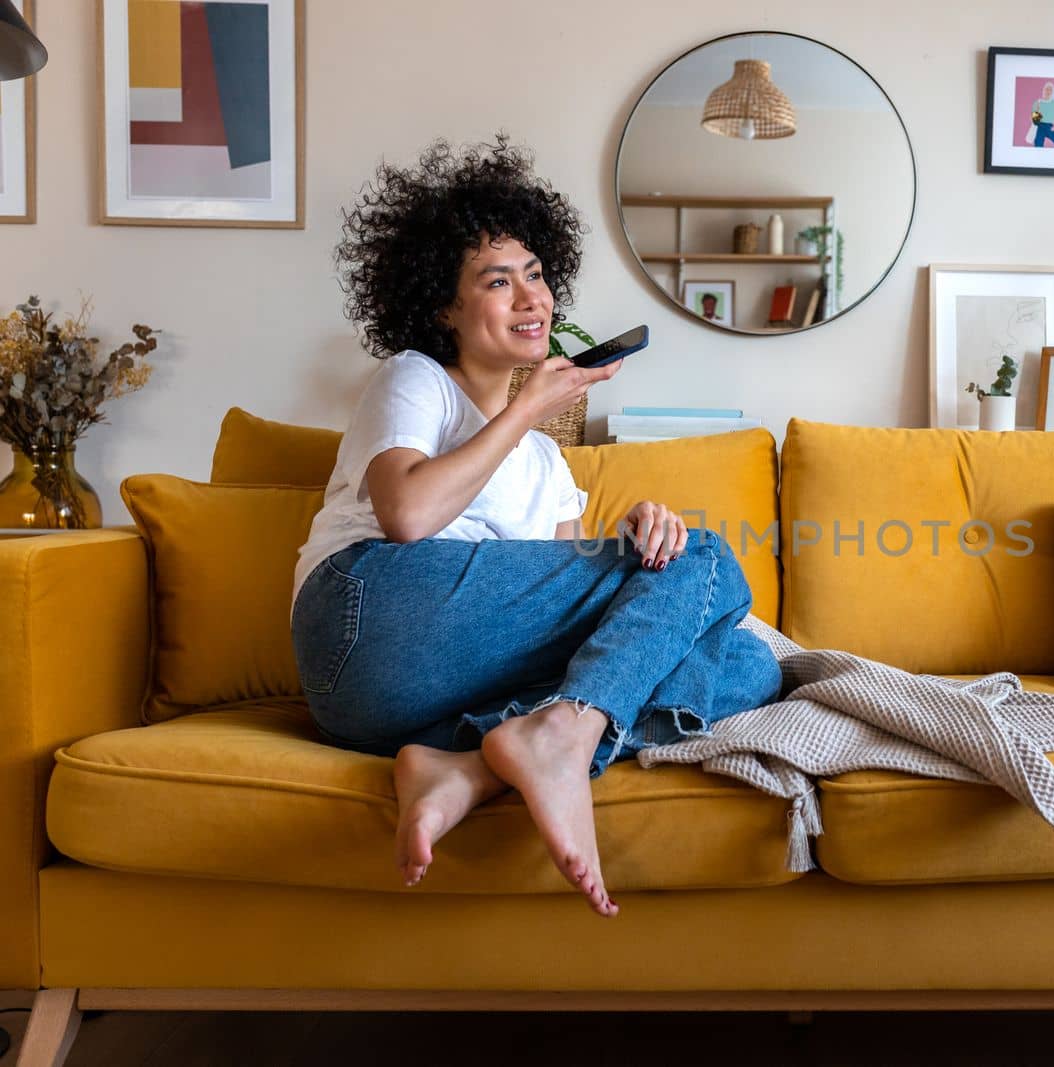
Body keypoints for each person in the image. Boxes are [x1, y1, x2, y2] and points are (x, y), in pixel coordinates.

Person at [289, 135, 783, 919]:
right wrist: (526, 407)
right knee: (713, 562)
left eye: (537, 274)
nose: (531, 299)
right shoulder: (417, 379)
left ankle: (469, 763)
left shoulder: (550, 467)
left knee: (753, 668)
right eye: (497, 281)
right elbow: (407, 514)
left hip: (390, 706)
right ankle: (556, 743)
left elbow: (569, 641)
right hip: (362, 618)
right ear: (444, 306)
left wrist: (644, 540)